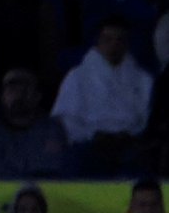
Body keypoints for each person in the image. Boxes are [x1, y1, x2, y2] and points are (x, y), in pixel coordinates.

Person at [50, 16, 155, 176]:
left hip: (130, 144)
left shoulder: (142, 79)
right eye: (108, 39)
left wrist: (130, 134)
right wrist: (92, 135)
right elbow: (65, 118)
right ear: (98, 42)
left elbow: (146, 117)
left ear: (127, 43)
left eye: (120, 40)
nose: (114, 45)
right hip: (89, 144)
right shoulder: (77, 76)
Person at [0, 68, 70, 180]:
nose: (18, 96)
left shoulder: (51, 129)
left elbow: (51, 170)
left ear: (37, 96)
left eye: (25, 90)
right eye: (12, 91)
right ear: (2, 97)